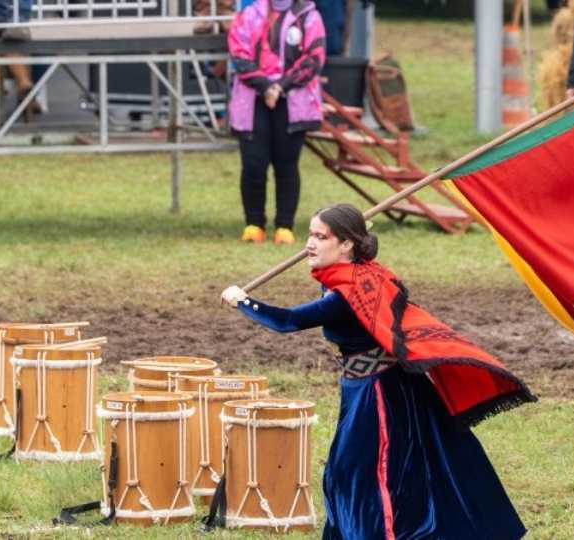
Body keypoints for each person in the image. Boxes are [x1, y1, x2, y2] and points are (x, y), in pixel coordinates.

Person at [221, 204, 536, 539]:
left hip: (379, 394)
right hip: (372, 388)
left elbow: (289, 321)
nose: (309, 244)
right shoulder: (356, 274)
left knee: (363, 475)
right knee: (370, 472)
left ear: (346, 244)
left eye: (320, 237)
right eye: (310, 234)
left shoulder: (348, 292)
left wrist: (243, 301)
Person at [227, 0, 326, 245]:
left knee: (287, 164)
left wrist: (280, 87)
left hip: (293, 101)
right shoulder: (248, 15)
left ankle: (284, 225)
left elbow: (314, 59)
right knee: (253, 164)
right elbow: (239, 54)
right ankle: (254, 224)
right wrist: (265, 86)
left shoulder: (309, 16)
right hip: (252, 100)